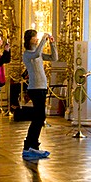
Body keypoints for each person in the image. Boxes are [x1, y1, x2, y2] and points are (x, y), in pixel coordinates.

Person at [21, 29, 58, 159]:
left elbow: (54, 58)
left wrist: (52, 44)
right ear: (29, 39)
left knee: (40, 117)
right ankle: (30, 146)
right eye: (34, 37)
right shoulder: (27, 54)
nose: (36, 39)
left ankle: (32, 145)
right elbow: (36, 53)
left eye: (37, 37)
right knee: (39, 117)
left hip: (41, 87)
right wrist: (44, 39)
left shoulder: (38, 53)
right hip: (34, 88)